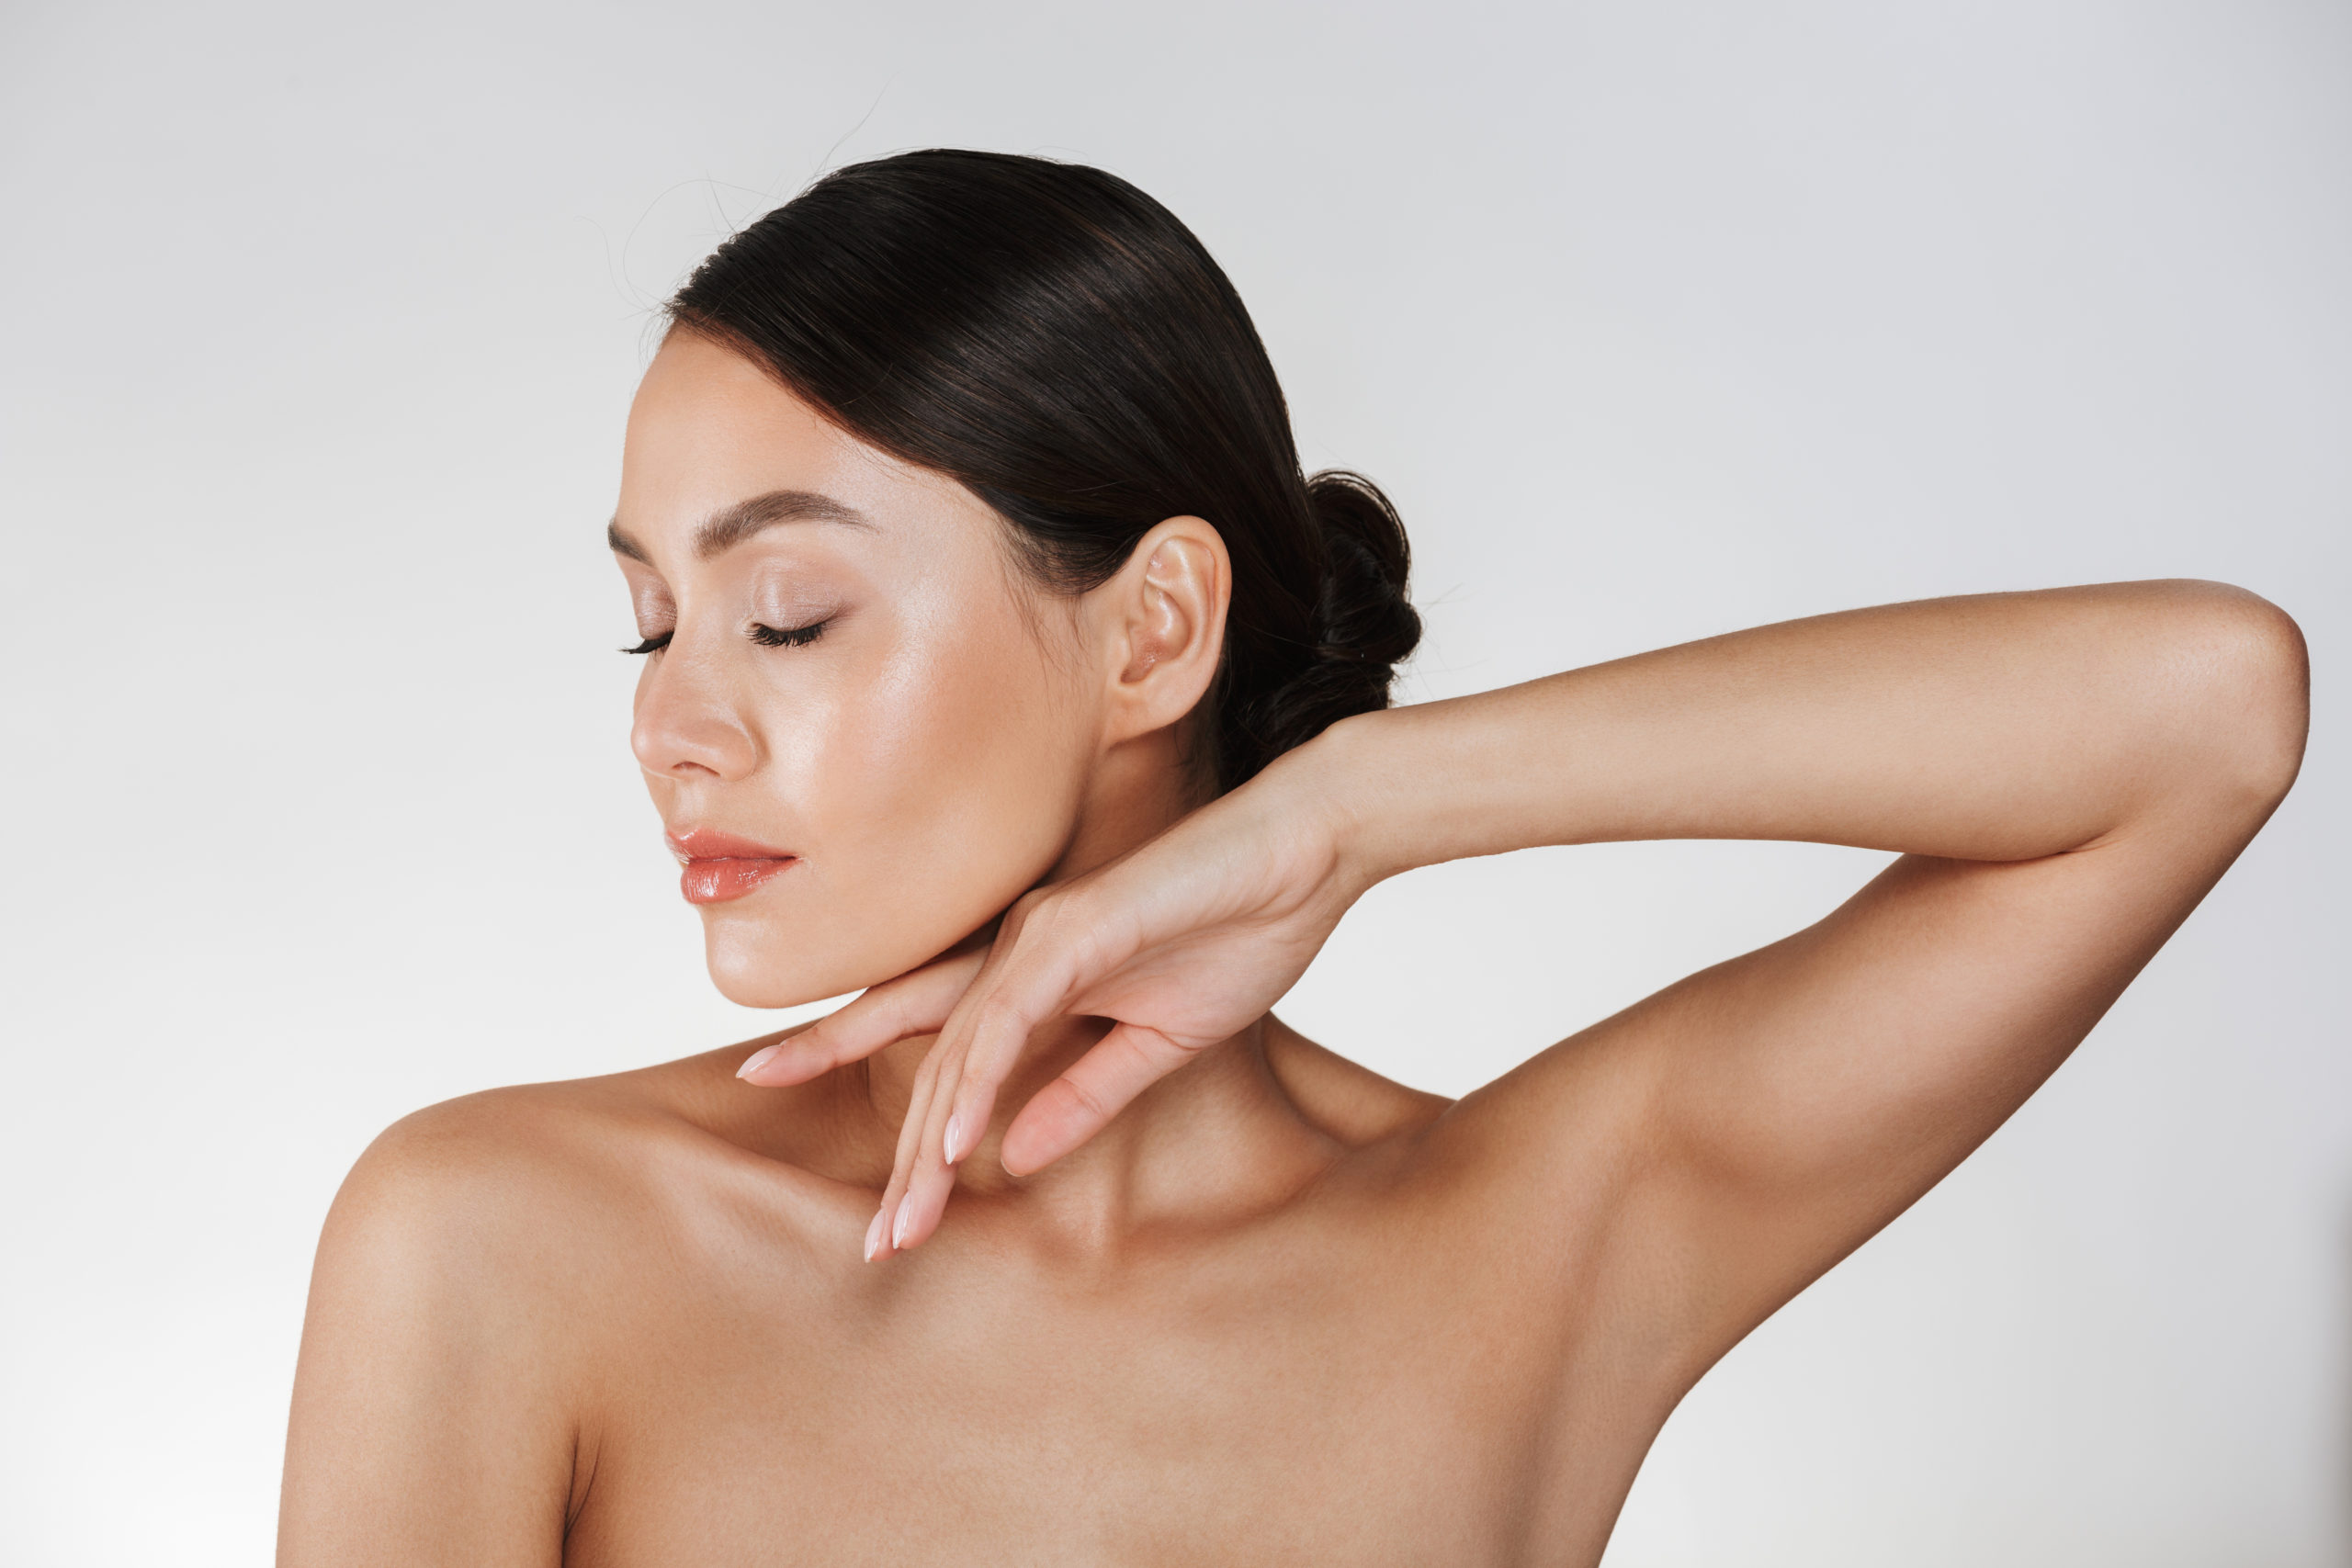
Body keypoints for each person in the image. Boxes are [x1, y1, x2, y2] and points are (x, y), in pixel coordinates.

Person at [277, 150, 2308, 1566]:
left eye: (785, 614)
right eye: (651, 621)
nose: (669, 721)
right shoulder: (492, 1245)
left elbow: (2203, 706)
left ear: (1151, 629)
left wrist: (1350, 814)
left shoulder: (1531, 1242)